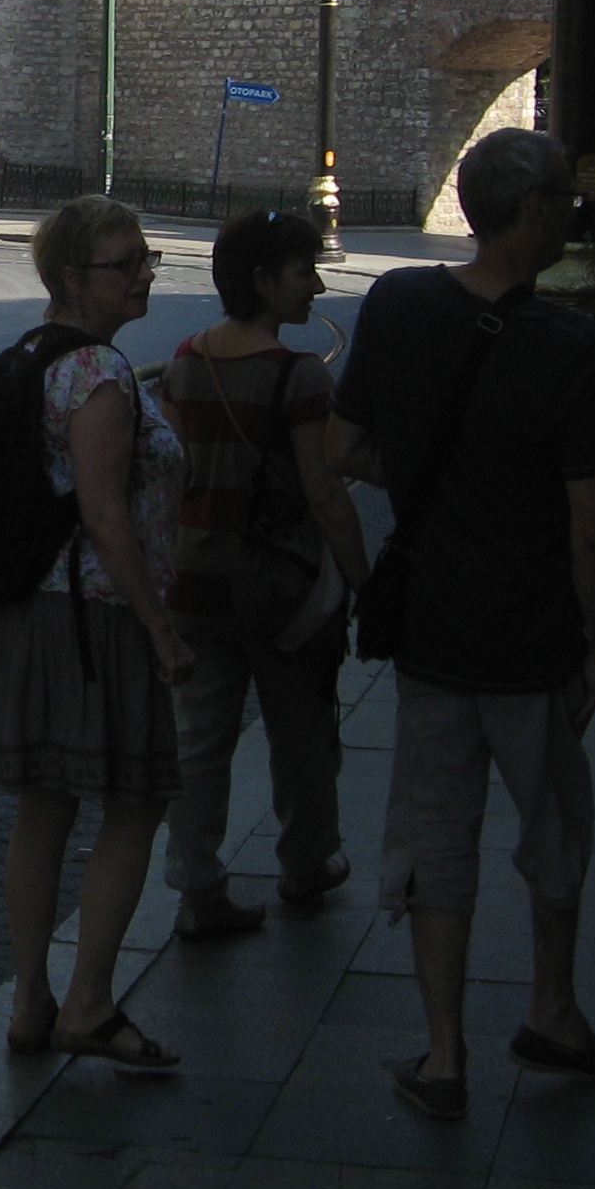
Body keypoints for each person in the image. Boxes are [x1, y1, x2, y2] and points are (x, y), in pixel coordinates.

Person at [326, 127, 595, 1120]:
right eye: (563, 196)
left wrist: (432, 478)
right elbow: (594, 525)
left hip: (430, 634)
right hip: (531, 635)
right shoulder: (572, 348)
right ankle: (552, 1011)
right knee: (554, 831)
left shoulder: (396, 303)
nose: (572, 210)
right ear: (531, 212)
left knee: (435, 840)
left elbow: (345, 447)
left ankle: (444, 1055)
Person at [0, 195, 195, 1070]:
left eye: (145, 259)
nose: (142, 276)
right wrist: (160, 630)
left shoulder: (28, 356)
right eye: (125, 264)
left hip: (27, 612)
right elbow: (105, 515)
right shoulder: (97, 375)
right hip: (95, 619)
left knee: (45, 804)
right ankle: (87, 1003)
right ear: (70, 278)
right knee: (136, 799)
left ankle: (31, 1002)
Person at [158, 210, 368, 939]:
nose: (316, 287)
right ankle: (306, 864)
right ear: (262, 281)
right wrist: (362, 579)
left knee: (198, 743)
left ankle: (196, 888)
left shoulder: (185, 360)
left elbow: (173, 477)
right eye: (303, 273)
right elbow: (326, 494)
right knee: (302, 735)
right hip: (283, 594)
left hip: (195, 582)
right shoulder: (299, 375)